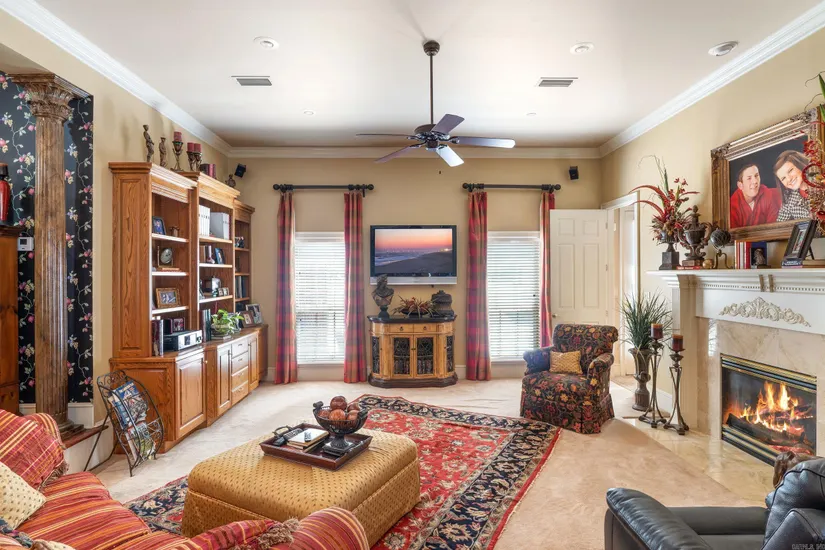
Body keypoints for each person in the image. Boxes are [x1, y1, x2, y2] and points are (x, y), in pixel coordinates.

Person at [729, 163, 781, 228]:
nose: (755, 181)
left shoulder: (767, 193)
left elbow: (773, 227)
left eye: (756, 176)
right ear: (740, 185)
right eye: (749, 178)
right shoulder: (732, 206)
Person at [774, 150, 812, 222]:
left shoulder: (820, 180)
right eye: (783, 178)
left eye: (790, 171)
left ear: (800, 164)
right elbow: (779, 224)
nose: (789, 179)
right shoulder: (789, 199)